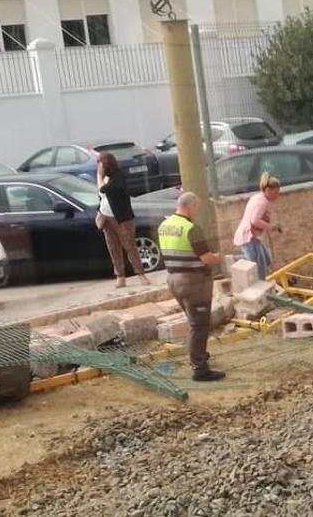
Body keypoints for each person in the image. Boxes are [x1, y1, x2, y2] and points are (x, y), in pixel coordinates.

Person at [158, 192, 225, 382]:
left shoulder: (165, 226)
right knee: (199, 325)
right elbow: (206, 258)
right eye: (197, 207)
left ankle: (200, 355)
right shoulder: (191, 229)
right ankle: (199, 368)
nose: (197, 212)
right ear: (191, 205)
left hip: (173, 279)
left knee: (193, 321)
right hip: (194, 282)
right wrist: (219, 257)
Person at [96, 152, 152, 289]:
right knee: (113, 247)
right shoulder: (105, 178)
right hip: (106, 216)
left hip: (122, 218)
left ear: (107, 164)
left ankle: (141, 274)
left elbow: (103, 190)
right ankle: (120, 276)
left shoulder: (118, 177)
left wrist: (98, 176)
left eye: (100, 163)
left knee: (129, 245)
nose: (98, 166)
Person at [232, 172, 282, 280]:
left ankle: (241, 260)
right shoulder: (262, 202)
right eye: (276, 192)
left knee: (267, 259)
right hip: (249, 237)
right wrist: (270, 227)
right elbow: (255, 220)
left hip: (253, 236)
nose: (277, 195)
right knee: (260, 266)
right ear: (268, 190)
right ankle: (261, 285)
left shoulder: (259, 198)